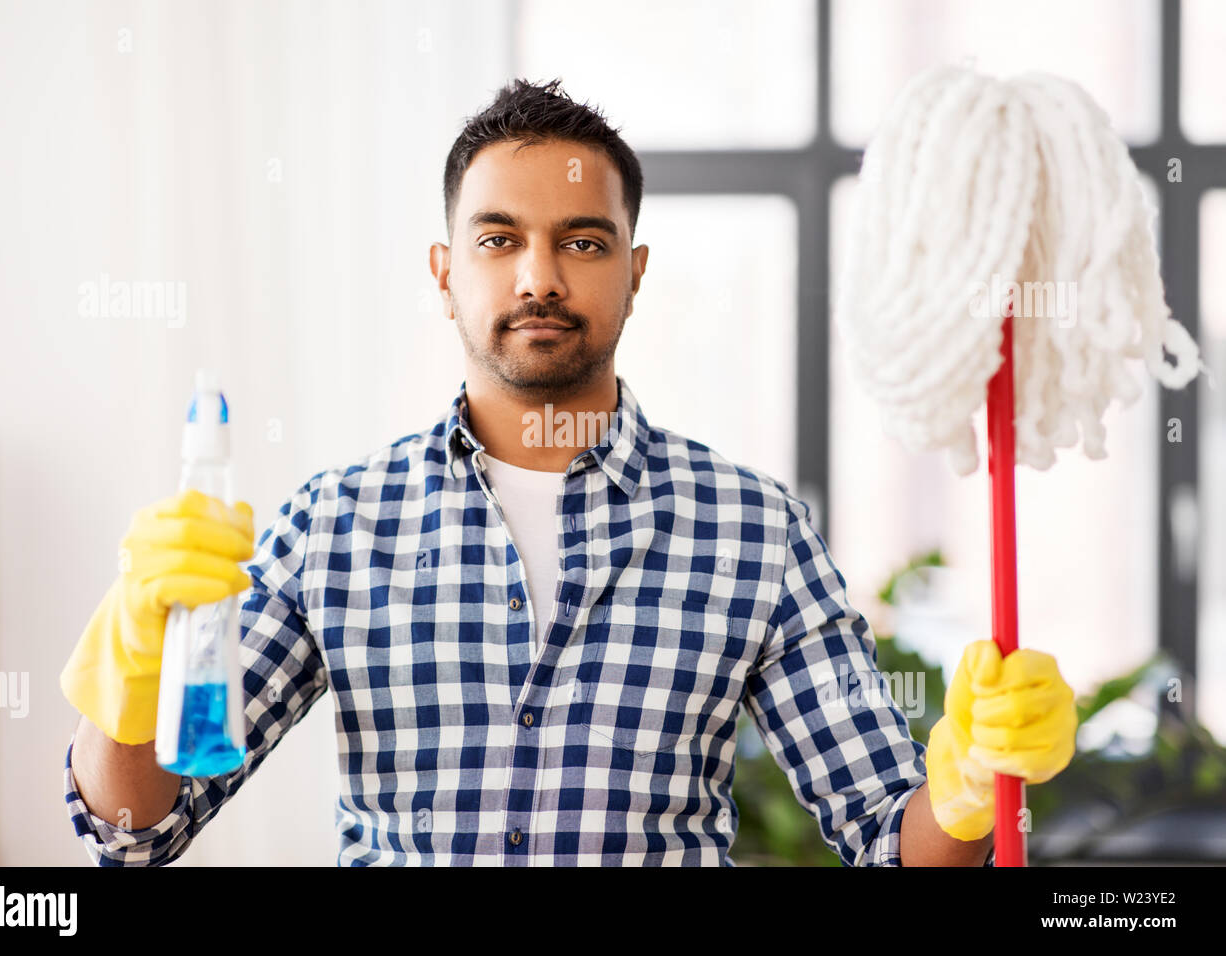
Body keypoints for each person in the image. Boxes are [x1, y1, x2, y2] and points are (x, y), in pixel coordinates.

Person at [59, 77, 1076, 866]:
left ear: (633, 270)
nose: (538, 274)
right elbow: (139, 829)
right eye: (498, 239)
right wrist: (129, 684)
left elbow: (893, 840)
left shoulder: (752, 531)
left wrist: (964, 783)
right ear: (444, 270)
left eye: (581, 240)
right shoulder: (336, 524)